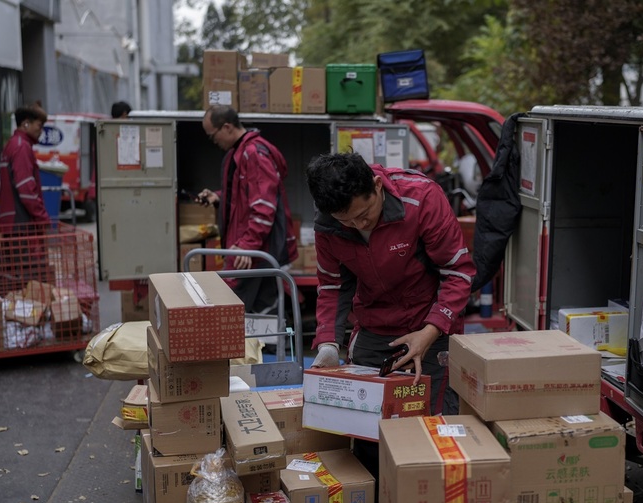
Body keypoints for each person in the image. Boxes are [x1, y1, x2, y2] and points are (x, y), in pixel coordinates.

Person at [306, 152, 475, 413]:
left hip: (430, 325)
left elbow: (458, 272)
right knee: (364, 423)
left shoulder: (422, 198)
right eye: (346, 220)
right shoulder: (328, 224)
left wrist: (430, 332)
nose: (358, 224)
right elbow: (332, 285)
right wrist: (328, 343)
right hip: (373, 328)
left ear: (377, 185)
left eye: (364, 214)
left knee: (430, 422)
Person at [198, 106, 297, 314]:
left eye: (212, 136)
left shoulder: (253, 154)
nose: (213, 142)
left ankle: (267, 347)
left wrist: (247, 245)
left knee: (241, 312)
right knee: (259, 312)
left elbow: (264, 206)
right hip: (251, 252)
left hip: (254, 254)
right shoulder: (241, 153)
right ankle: (269, 347)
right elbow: (244, 197)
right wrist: (218, 197)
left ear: (226, 127)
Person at [0, 102, 51, 284]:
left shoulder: (13, 144)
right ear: (26, 123)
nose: (41, 130)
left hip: (11, 220)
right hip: (21, 221)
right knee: (27, 275)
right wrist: (42, 217)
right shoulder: (21, 147)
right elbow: (26, 190)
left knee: (12, 271)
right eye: (39, 125)